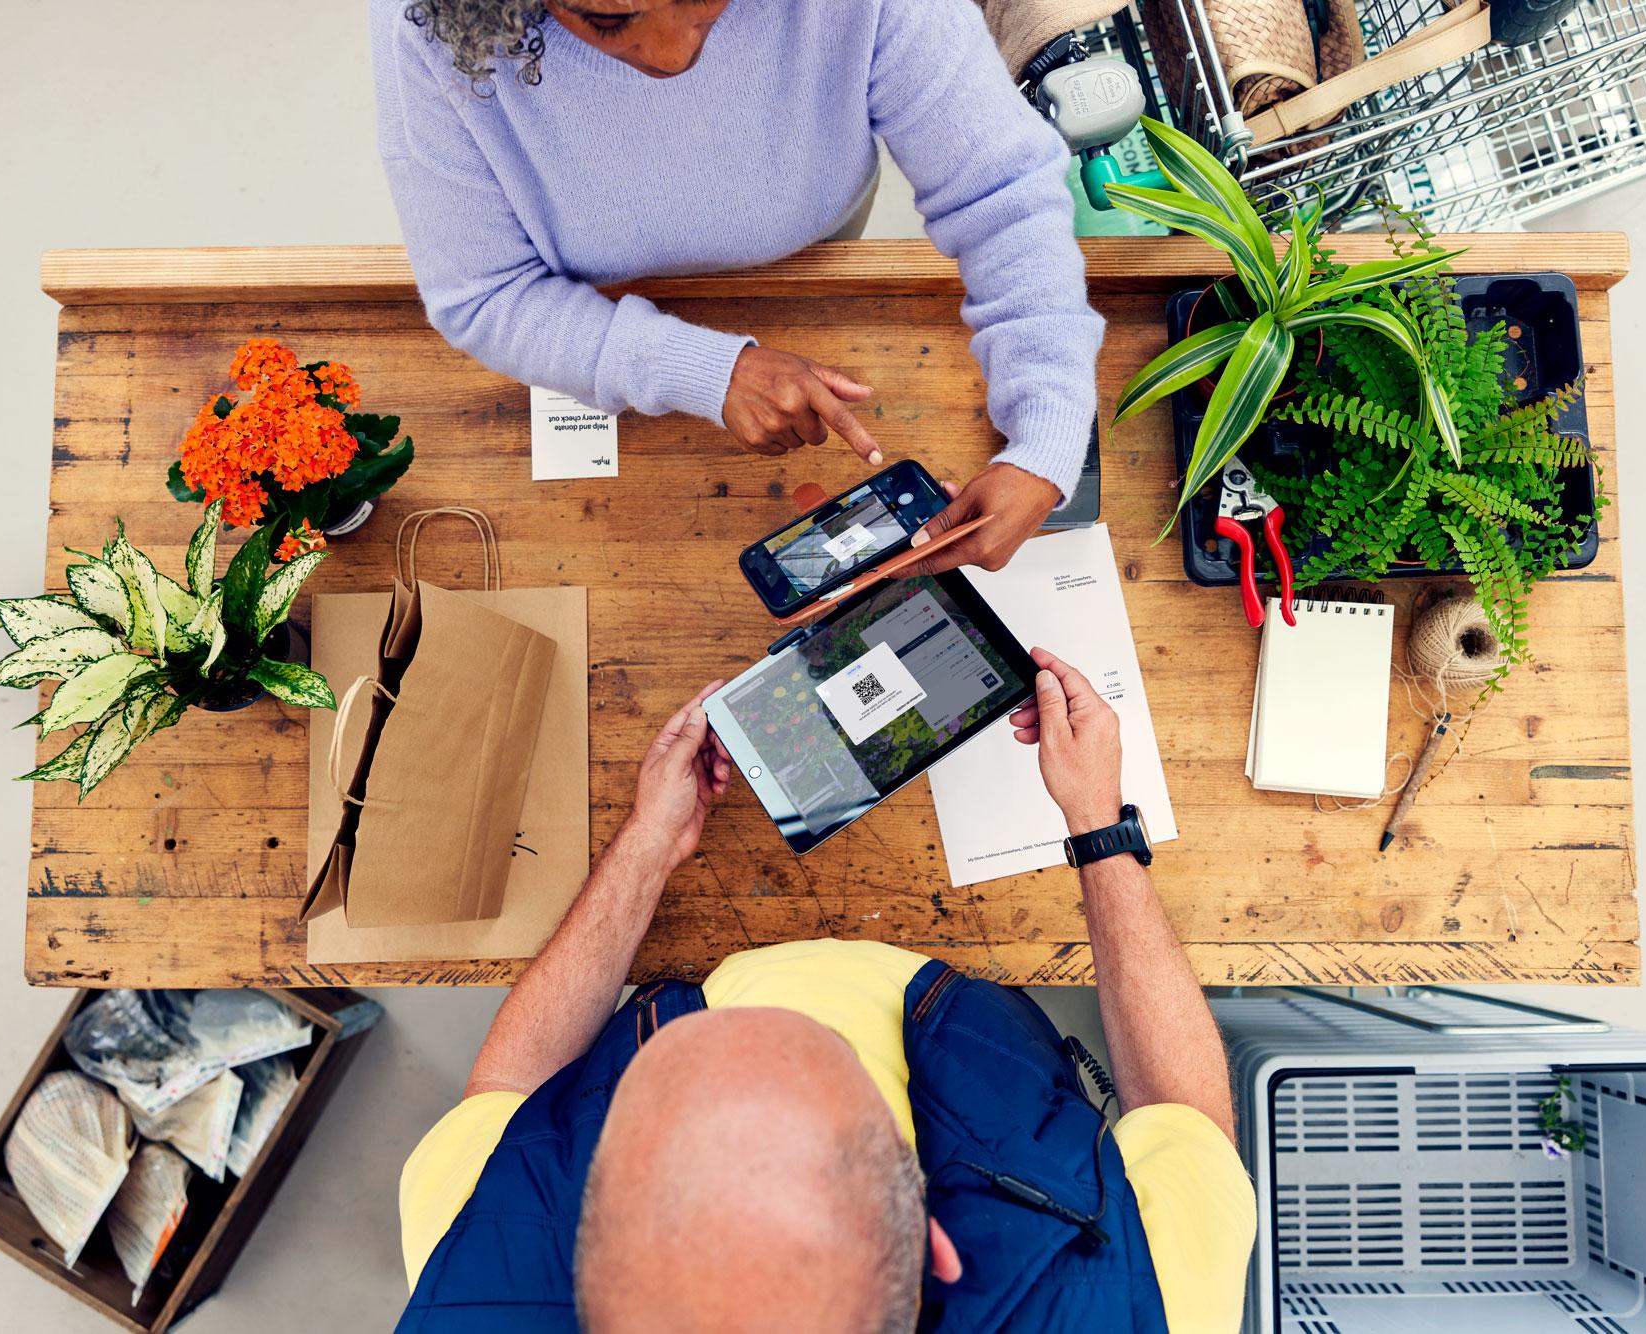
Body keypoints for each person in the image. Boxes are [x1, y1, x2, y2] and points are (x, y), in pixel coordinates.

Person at [395, 651, 1255, 1332]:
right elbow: (1191, 1126)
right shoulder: (1149, 1306)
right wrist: (1100, 825)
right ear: (935, 1248)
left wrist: (647, 847)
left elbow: (510, 1095)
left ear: (582, 1254)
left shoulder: (472, 1260)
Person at [369, 0, 1107, 573]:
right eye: (606, 18)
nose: (673, 55)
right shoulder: (423, 26)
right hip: (584, 315)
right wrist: (703, 370)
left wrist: (1046, 431)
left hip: (811, 267)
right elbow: (485, 293)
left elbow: (999, 190)